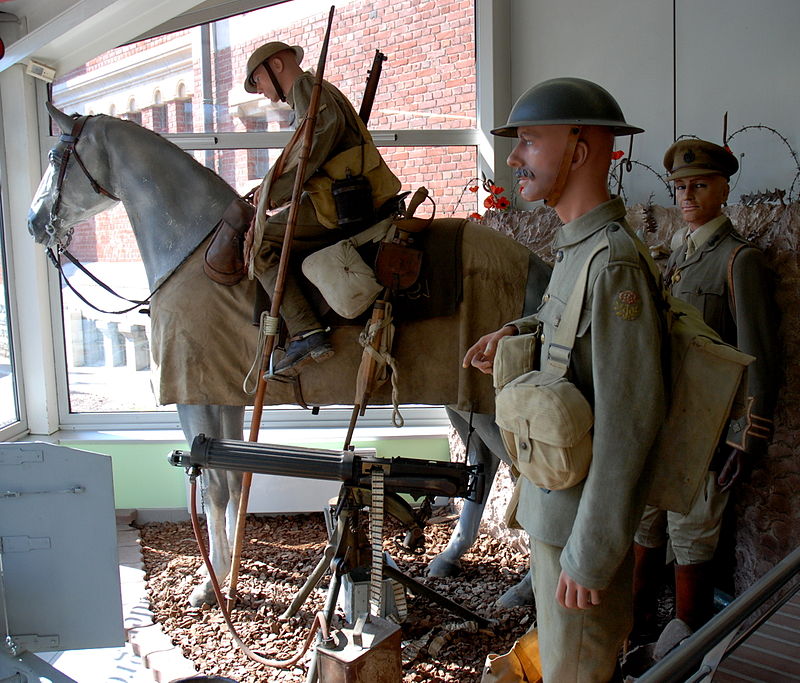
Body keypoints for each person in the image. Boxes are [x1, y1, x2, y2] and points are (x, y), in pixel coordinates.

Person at [464, 77, 666, 682]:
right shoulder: (579, 248)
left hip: (581, 528)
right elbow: (573, 328)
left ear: (578, 152)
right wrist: (517, 330)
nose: (514, 158)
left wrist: (593, 553)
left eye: (528, 141)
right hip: (556, 511)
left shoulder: (613, 263)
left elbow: (631, 422)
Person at [631, 139, 781, 641]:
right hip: (660, 420)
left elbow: (758, 354)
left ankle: (684, 650)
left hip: (707, 428)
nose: (688, 195)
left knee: (693, 535)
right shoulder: (678, 256)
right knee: (646, 524)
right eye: (680, 187)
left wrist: (747, 436)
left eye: (700, 185)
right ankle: (638, 633)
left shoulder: (739, 261)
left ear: (723, 190)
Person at [244, 41, 401, 373]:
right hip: (334, 193)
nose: (260, 91)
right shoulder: (311, 92)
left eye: (258, 80)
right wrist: (272, 189)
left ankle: (306, 331)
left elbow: (314, 145)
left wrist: (275, 192)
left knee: (259, 242)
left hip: (342, 202)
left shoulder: (307, 88)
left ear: (276, 65)